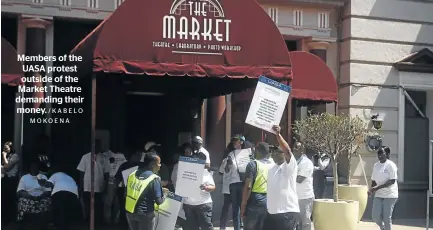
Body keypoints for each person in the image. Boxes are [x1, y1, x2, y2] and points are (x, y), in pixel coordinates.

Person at [264, 125, 301, 230]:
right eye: (273, 152)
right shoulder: (271, 167)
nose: (274, 154)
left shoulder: (290, 166)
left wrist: (278, 135)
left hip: (287, 212)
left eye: (277, 151)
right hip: (271, 213)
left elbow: (288, 151)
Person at [125, 152, 166, 230]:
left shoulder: (132, 175)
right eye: (159, 163)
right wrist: (165, 194)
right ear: (152, 165)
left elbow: (127, 193)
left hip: (130, 212)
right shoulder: (154, 178)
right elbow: (159, 201)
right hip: (145, 214)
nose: (160, 165)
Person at [76, 139, 111, 226]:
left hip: (99, 187)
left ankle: (98, 223)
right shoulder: (85, 157)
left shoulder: (104, 158)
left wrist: (106, 187)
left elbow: (106, 174)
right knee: (87, 205)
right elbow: (81, 173)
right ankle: (87, 222)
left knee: (98, 206)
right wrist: (81, 186)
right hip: (87, 186)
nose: (96, 148)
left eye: (98, 146)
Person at [241, 142, 274, 230]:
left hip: (255, 201)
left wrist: (243, 205)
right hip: (269, 201)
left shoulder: (253, 164)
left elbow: (248, 186)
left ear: (258, 151)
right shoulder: (273, 165)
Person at [37, 165, 80, 230]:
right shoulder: (70, 177)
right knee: (67, 216)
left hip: (60, 194)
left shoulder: (56, 174)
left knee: (58, 214)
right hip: (73, 196)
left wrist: (41, 181)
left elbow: (48, 184)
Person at [221, 134, 248, 230]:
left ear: (241, 142)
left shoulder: (247, 153)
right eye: (233, 141)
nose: (234, 142)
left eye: (236, 140)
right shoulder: (230, 154)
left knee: (244, 206)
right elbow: (226, 171)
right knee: (235, 209)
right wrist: (228, 165)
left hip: (244, 183)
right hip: (233, 183)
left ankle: (245, 226)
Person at [183, 152, 216, 230]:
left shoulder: (206, 173)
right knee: (191, 227)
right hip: (188, 204)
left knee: (206, 227)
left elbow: (213, 187)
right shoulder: (185, 172)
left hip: (203, 204)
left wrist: (205, 187)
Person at [369, 146, 398, 230]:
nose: (380, 155)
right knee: (375, 216)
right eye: (379, 153)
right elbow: (374, 180)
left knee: (387, 218)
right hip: (379, 194)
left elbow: (392, 181)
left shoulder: (391, 165)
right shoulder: (376, 166)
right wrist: (371, 190)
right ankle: (383, 227)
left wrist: (376, 188)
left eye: (382, 153)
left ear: (387, 154)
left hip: (390, 195)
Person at [16, 162, 52, 230]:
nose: (34, 168)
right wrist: (29, 196)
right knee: (21, 202)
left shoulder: (43, 177)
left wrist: (41, 196)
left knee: (47, 201)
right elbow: (20, 191)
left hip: (41, 197)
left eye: (36, 166)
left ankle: (43, 226)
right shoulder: (24, 177)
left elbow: (48, 191)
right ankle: (21, 225)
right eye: (32, 166)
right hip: (28, 198)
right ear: (30, 168)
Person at [115, 150, 142, 227]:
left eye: (140, 156)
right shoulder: (124, 165)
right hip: (124, 192)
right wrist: (123, 183)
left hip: (136, 192)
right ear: (132, 156)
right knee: (124, 211)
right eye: (137, 156)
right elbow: (117, 179)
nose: (139, 158)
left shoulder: (141, 166)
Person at [294, 142, 314, 230]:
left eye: (296, 147)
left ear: (302, 150)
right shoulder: (293, 161)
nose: (293, 149)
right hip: (294, 197)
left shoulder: (307, 163)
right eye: (293, 147)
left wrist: (288, 174)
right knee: (296, 223)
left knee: (305, 222)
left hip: (305, 197)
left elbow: (299, 179)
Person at [2, 141, 20, 226]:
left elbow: (7, 167)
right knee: (5, 199)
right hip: (5, 179)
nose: (4, 150)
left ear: (11, 148)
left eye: (6, 148)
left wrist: (4, 156)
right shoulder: (8, 156)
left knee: (11, 199)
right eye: (4, 148)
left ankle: (12, 219)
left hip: (12, 180)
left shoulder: (15, 156)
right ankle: (6, 219)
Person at [218, 142, 234, 230]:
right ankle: (239, 225)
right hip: (235, 187)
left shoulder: (224, 160)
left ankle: (222, 226)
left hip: (227, 188)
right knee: (237, 208)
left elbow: (220, 172)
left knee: (226, 208)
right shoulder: (236, 160)